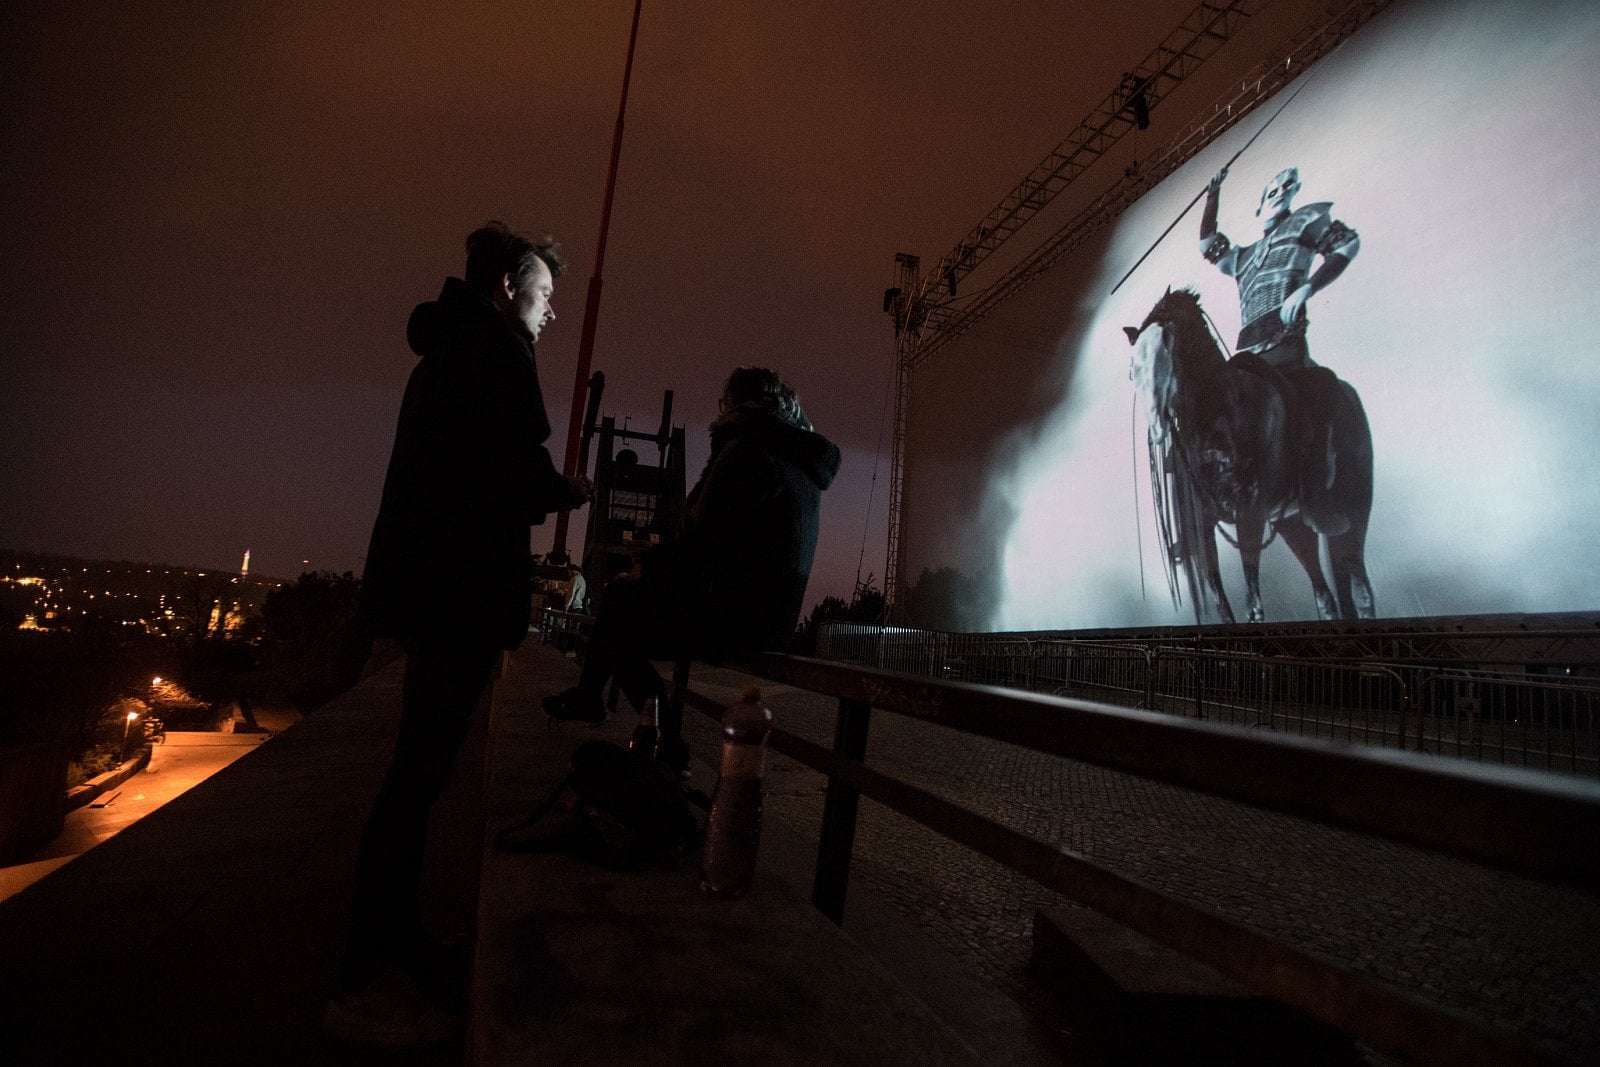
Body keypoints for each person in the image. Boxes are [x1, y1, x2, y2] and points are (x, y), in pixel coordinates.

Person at [326, 221, 592, 1048]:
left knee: (418, 775)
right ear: (509, 284)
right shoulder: (495, 354)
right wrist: (569, 490)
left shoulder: (455, 349)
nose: (551, 315)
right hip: (456, 597)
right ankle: (366, 978)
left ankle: (393, 948)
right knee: (416, 780)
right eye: (544, 294)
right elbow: (507, 474)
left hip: (430, 593)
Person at [542, 367, 840, 770]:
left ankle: (617, 714)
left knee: (618, 605)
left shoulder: (746, 451)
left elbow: (704, 539)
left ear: (734, 405)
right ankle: (651, 737)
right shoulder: (798, 463)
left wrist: (650, 562)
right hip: (771, 618)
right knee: (622, 625)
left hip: (735, 616)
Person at [1199, 164, 1360, 532]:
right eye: (1273, 188)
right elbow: (1209, 244)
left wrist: (1309, 287)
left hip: (1286, 348)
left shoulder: (1306, 221)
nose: (1282, 189)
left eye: (1289, 186)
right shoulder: (1244, 257)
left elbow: (1347, 244)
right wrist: (1212, 196)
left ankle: (1314, 498)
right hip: (1248, 356)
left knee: (1320, 389)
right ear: (1259, 207)